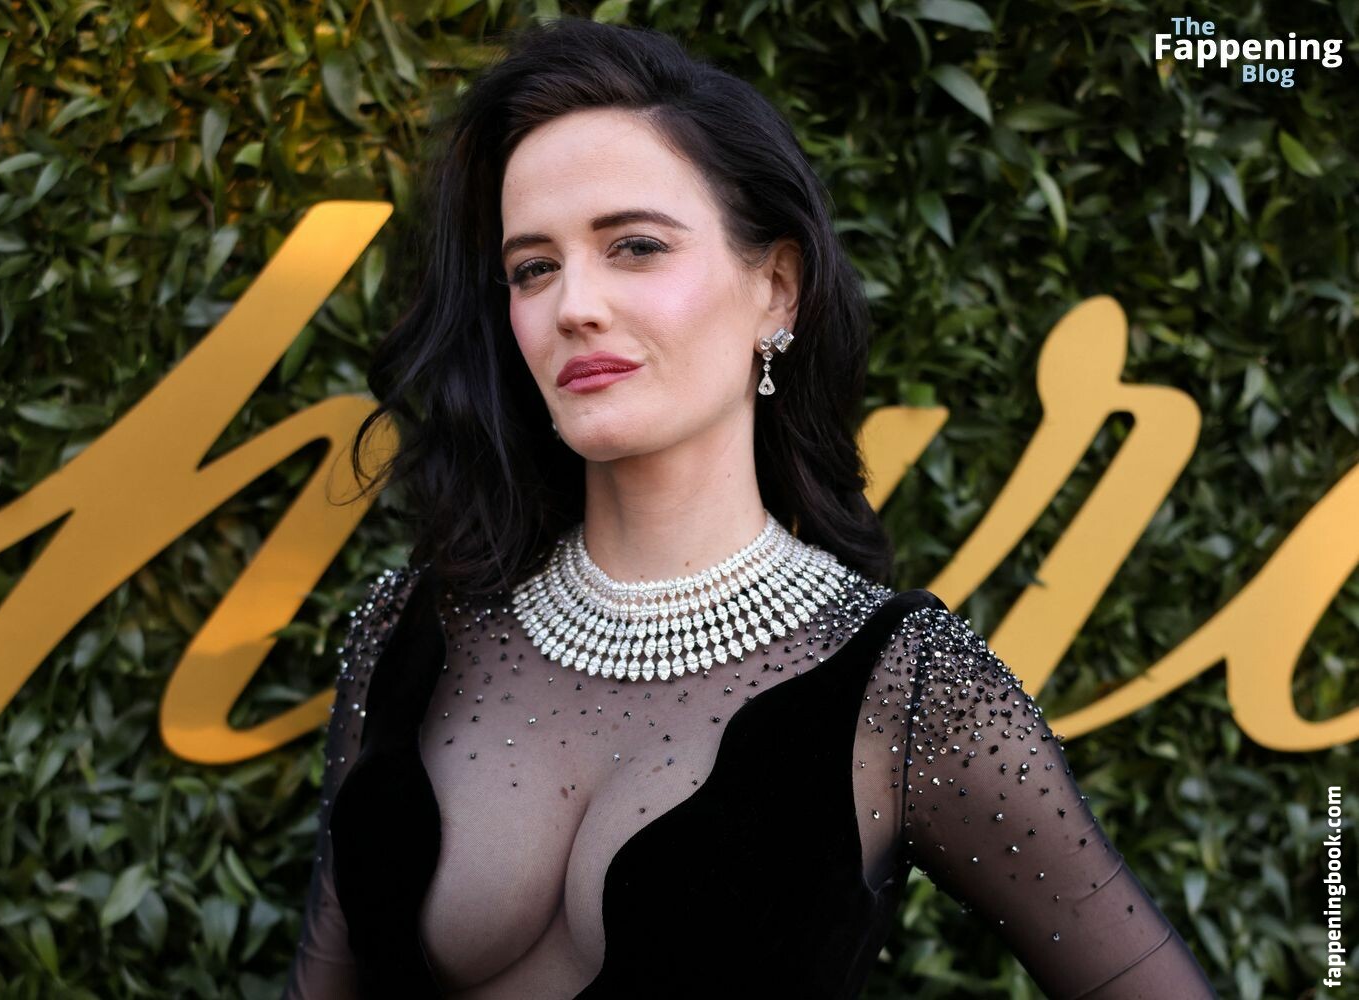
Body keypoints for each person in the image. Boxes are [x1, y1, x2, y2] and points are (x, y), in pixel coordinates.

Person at [282, 16, 1217, 999]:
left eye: (634, 246)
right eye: (533, 268)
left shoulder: (907, 689)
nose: (573, 305)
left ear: (775, 288)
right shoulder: (413, 629)